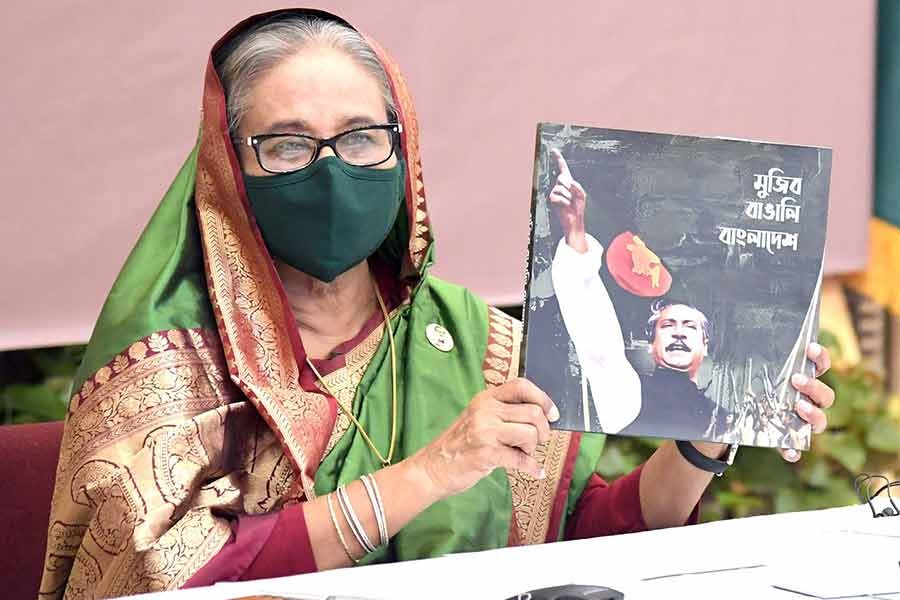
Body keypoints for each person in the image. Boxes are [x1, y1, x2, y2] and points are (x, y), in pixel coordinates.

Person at [39, 9, 836, 598]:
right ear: (227, 167)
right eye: (286, 144)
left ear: (402, 148)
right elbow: (155, 581)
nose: (331, 169)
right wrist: (430, 474)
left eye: (360, 138)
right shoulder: (169, 367)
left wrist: (713, 431)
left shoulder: (472, 337)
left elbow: (581, 541)